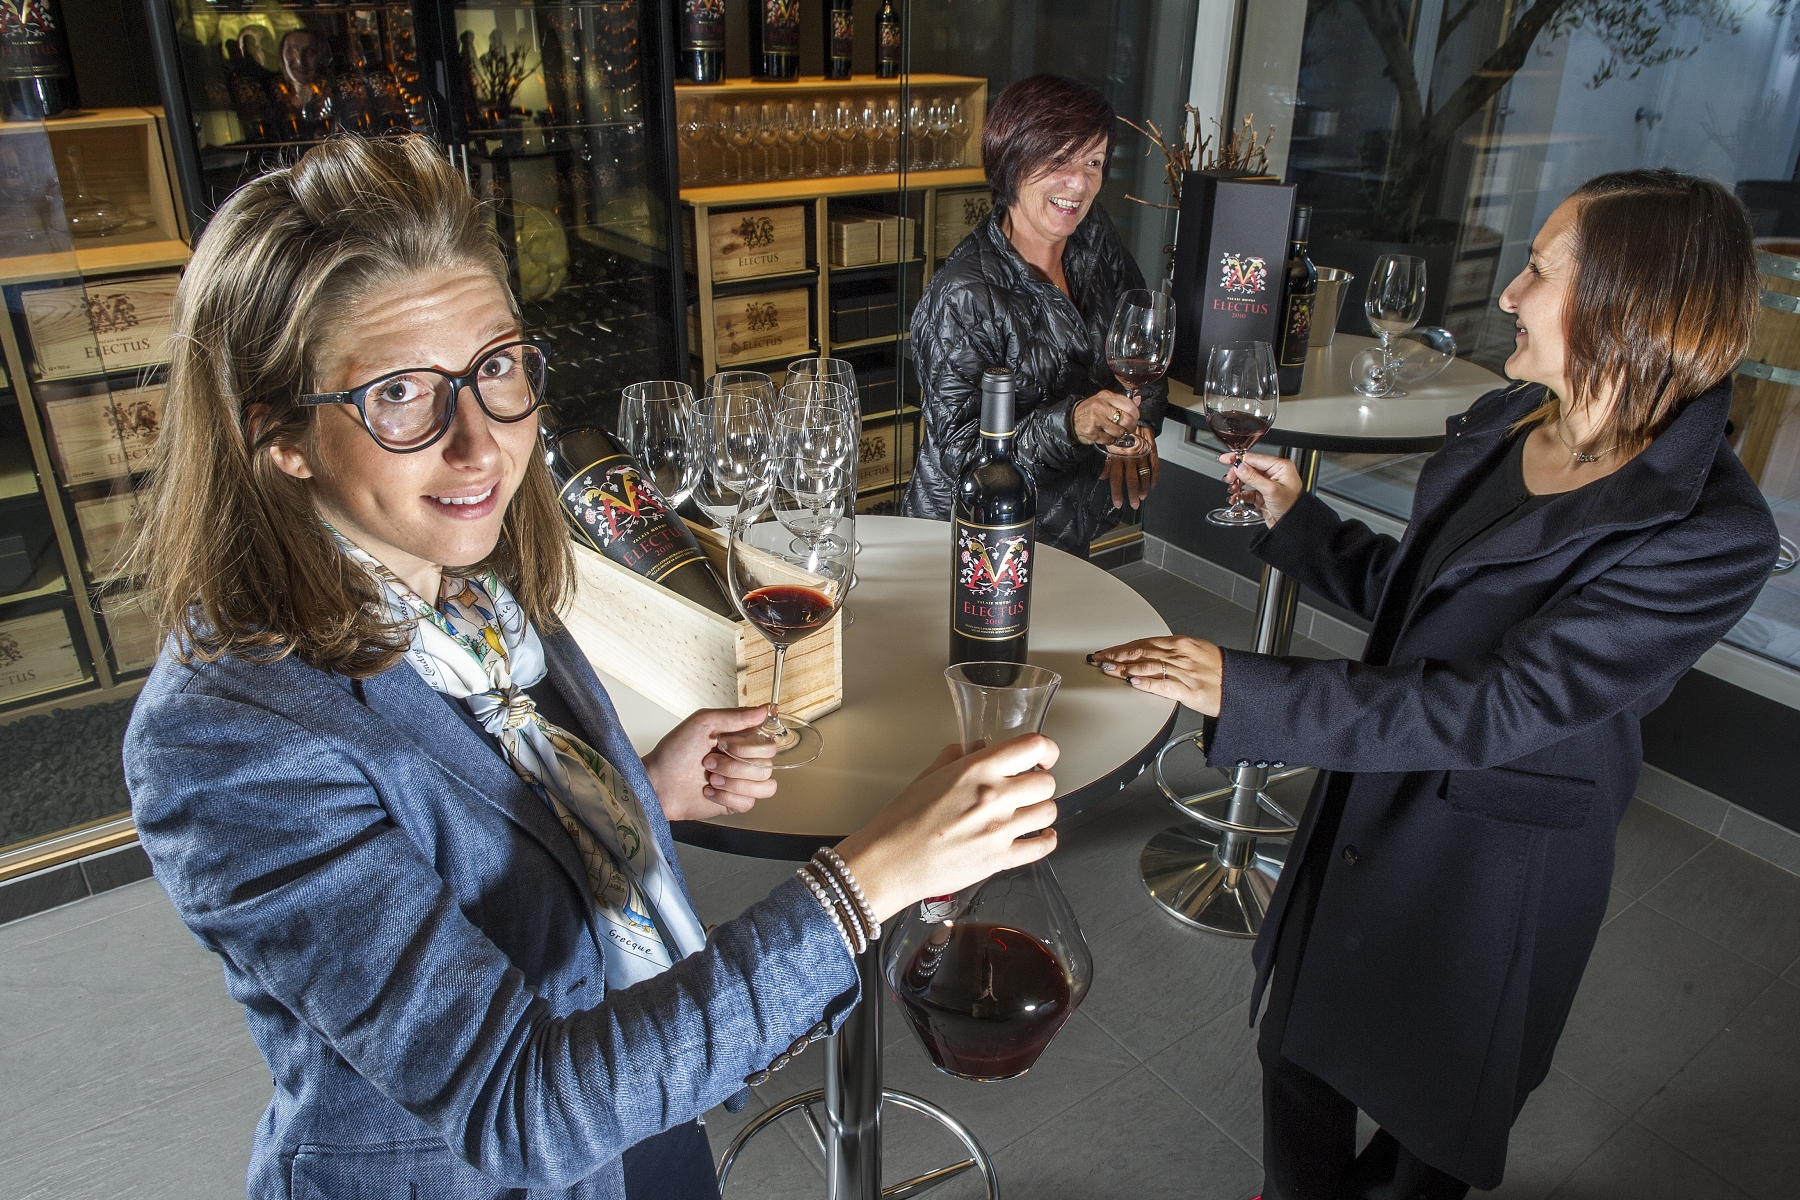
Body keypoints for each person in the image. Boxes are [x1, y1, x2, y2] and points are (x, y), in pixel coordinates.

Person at [121, 136, 1062, 1200]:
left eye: (494, 368)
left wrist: (639, 792)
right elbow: (519, 1107)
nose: (479, 446)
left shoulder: (475, 587)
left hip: (641, 1109)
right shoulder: (226, 740)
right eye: (397, 395)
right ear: (278, 436)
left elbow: (481, 842)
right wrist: (867, 882)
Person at [1093, 169, 1779, 1198]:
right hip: (1370, 793)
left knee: (1425, 1142)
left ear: (1626, 303)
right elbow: (1427, 607)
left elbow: (1503, 703)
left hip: (1490, 874)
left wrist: (1249, 690)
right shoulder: (1511, 420)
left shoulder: (1707, 534)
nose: (1507, 293)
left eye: (1540, 270)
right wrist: (1302, 528)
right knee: (1296, 1057)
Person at [902, 73, 1166, 556]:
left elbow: (1141, 339)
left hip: (1066, 532)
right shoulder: (963, 295)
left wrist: (1139, 422)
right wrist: (1072, 425)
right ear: (1011, 160)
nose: (1079, 183)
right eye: (1059, 159)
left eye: (1093, 161)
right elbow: (964, 459)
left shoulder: (1092, 237)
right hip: (973, 545)